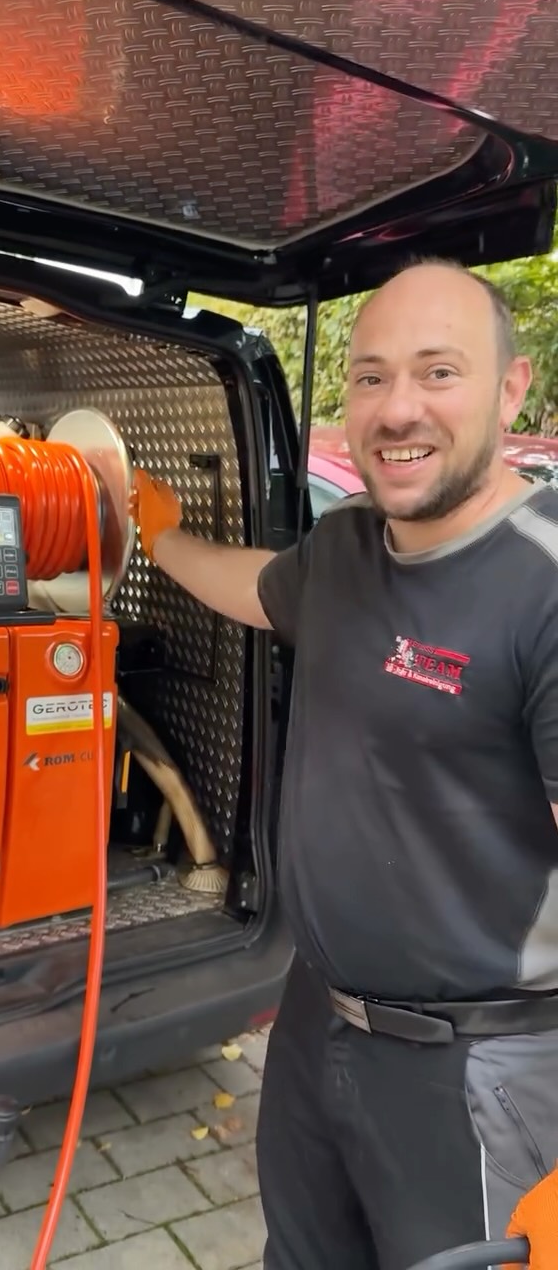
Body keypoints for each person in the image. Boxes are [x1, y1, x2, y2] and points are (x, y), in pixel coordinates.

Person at [128, 258, 558, 1270]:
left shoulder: (542, 586)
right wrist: (154, 532)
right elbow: (251, 586)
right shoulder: (347, 547)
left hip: (478, 1066)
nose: (396, 407)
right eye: (370, 376)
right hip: (318, 1017)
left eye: (437, 371)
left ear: (512, 387)